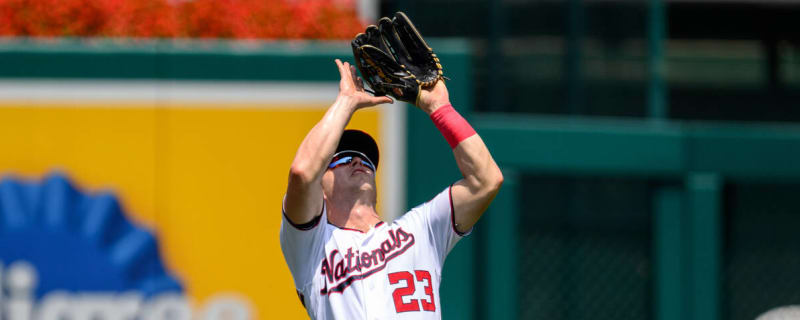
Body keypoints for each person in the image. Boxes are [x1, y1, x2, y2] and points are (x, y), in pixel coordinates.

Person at [280, 59, 503, 319]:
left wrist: (440, 109)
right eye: (341, 159)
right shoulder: (312, 247)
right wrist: (347, 102)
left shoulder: (421, 230)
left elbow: (485, 181)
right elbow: (302, 173)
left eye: (366, 159)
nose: (357, 160)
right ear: (320, 189)